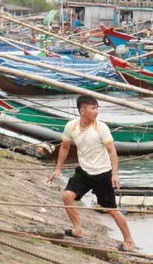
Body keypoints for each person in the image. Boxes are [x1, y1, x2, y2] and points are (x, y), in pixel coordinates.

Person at [47, 94, 136, 252]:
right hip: (84, 171)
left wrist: (115, 174)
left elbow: (112, 151)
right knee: (67, 195)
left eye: (97, 108)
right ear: (82, 110)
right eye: (93, 108)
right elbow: (65, 147)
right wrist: (58, 168)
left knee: (111, 209)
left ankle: (129, 240)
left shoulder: (101, 128)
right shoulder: (71, 126)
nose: (96, 111)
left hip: (102, 173)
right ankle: (77, 229)